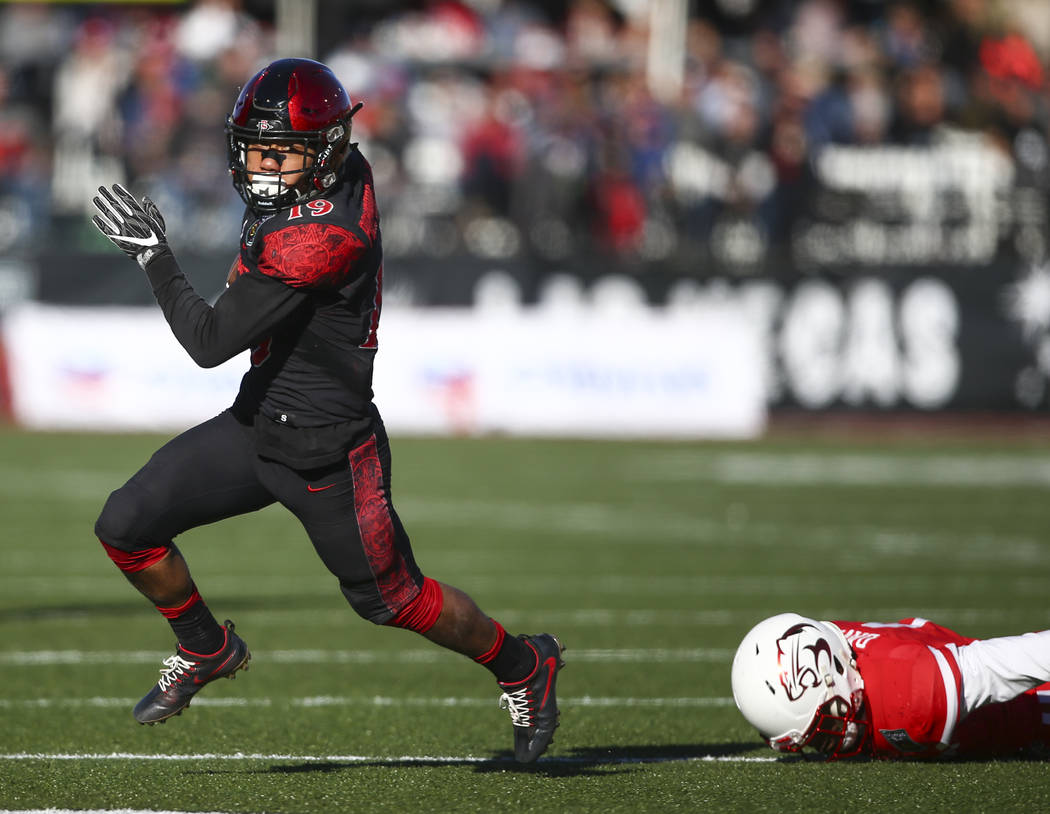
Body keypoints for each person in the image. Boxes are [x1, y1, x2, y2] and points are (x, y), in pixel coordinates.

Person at [90, 57, 564, 764]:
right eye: (254, 146)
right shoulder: (342, 169)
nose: (260, 163)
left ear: (323, 153)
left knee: (396, 601)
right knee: (125, 526)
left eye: (277, 150)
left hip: (329, 451)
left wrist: (155, 257)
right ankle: (205, 646)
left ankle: (523, 662)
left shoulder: (318, 239)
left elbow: (210, 341)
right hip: (258, 425)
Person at [731, 612, 1050, 760]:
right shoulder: (828, 641)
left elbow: (1005, 663)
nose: (827, 743)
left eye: (827, 720)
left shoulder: (909, 691)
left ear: (839, 672)